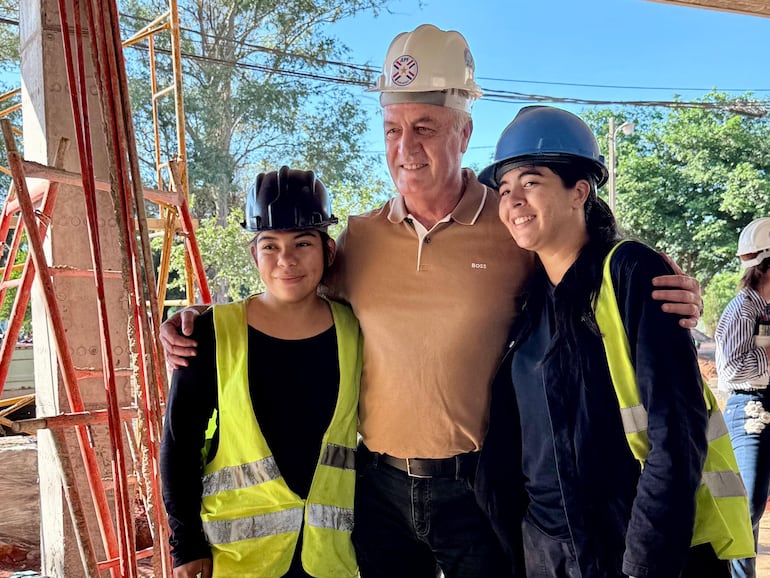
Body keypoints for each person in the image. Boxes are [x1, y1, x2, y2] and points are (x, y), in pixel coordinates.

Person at [160, 25, 704, 578]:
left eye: (425, 127)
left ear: (464, 132)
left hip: (478, 488)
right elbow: (290, 288)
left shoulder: (512, 224)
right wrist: (202, 321)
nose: (405, 147)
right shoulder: (361, 237)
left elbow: (583, 261)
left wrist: (664, 283)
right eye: (393, 129)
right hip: (378, 491)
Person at [474, 105, 752, 578]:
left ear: (579, 190)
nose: (513, 201)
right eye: (504, 190)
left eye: (531, 182)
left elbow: (675, 435)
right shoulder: (531, 299)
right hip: (548, 545)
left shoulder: (630, 273)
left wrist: (643, 564)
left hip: (625, 544)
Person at [160, 166, 363, 578]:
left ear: (327, 251)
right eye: (269, 245)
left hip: (330, 558)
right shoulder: (211, 333)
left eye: (302, 243)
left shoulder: (356, 331)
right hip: (238, 560)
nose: (286, 260)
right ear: (254, 254)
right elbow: (179, 444)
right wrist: (185, 545)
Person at [715, 217, 770, 578]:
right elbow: (731, 370)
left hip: (762, 406)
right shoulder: (743, 309)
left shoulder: (763, 309)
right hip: (748, 408)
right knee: (745, 508)